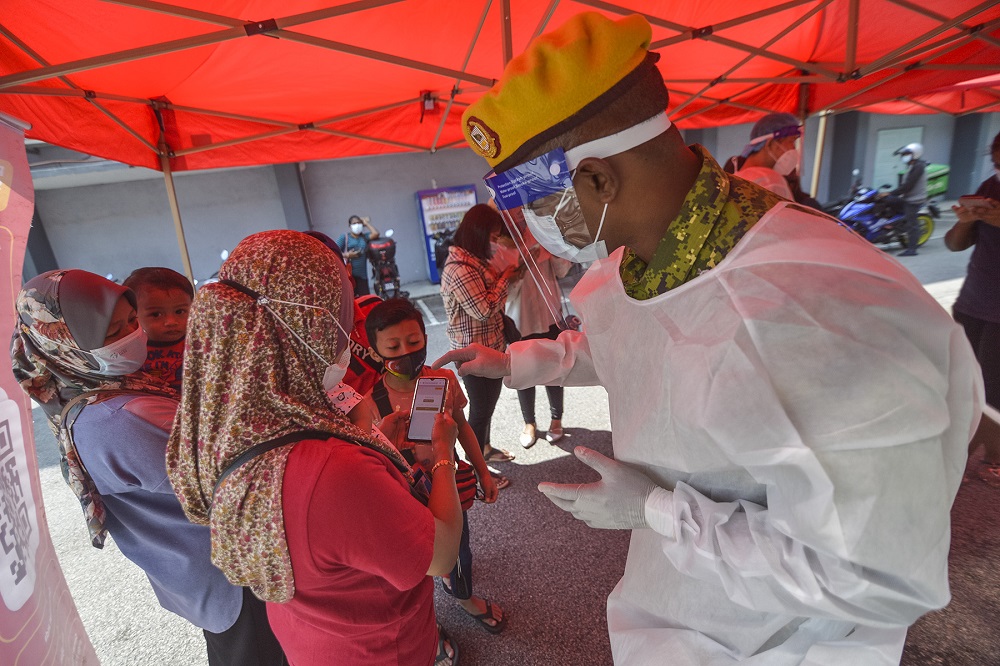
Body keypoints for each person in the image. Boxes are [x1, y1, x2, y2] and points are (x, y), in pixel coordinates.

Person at [436, 12, 982, 664]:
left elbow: (875, 578)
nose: (529, 225)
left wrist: (664, 514)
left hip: (782, 645)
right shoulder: (637, 255)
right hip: (676, 610)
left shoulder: (815, 312)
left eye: (534, 202)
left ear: (598, 181)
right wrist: (518, 362)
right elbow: (629, 344)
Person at [166, 230, 463, 666]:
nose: (348, 335)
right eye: (339, 317)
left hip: (309, 638)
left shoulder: (227, 434)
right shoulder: (334, 471)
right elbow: (442, 555)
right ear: (306, 324)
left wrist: (372, 444)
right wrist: (442, 456)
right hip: (379, 650)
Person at [10, 269, 285, 666]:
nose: (131, 336)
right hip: (227, 573)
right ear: (66, 341)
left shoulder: (95, 386)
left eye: (131, 322)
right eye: (110, 333)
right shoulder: (119, 416)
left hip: (193, 565)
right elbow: (228, 481)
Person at [361, 297, 506, 634]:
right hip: (403, 496)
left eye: (414, 342)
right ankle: (428, 622)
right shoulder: (370, 403)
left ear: (426, 338)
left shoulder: (443, 381)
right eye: (393, 346)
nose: (406, 353)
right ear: (375, 351)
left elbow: (463, 425)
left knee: (458, 548)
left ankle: (463, 596)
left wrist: (483, 470)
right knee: (410, 562)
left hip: (449, 485)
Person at [440, 203, 522, 479]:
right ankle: (477, 472)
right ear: (477, 233)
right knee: (479, 410)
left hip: (489, 347)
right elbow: (483, 309)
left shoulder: (474, 261)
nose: (497, 243)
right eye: (493, 236)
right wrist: (506, 278)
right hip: (473, 354)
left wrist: (502, 278)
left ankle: (484, 448)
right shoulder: (460, 268)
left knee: (487, 406)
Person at [947, 130, 1000, 484]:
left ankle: (995, 458)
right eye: (997, 162)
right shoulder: (990, 186)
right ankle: (959, 452)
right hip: (973, 302)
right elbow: (954, 244)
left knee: (993, 389)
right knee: (963, 381)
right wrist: (967, 221)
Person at [491, 226, 572, 448]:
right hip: (521, 320)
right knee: (523, 372)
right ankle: (529, 422)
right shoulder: (500, 248)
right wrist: (524, 265)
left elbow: (562, 271)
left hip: (549, 314)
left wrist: (556, 251)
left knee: (553, 368)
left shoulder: (541, 232)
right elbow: (505, 293)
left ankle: (557, 418)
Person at [123, 266, 193, 394]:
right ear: (132, 315)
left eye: (179, 311)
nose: (171, 322)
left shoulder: (198, 342)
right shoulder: (129, 349)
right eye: (156, 314)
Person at [879, 142, 928, 256]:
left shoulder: (918, 167)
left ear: (915, 154)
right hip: (907, 197)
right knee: (887, 201)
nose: (903, 156)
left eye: (906, 154)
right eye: (904, 154)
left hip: (914, 200)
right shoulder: (912, 165)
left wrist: (890, 193)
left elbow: (907, 186)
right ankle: (892, 224)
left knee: (912, 224)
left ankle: (912, 249)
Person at [337, 214, 381, 296]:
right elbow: (333, 250)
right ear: (350, 226)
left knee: (365, 299)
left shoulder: (364, 237)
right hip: (349, 276)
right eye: (354, 223)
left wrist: (366, 223)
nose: (357, 225)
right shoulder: (345, 237)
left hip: (362, 276)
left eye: (359, 223)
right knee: (352, 300)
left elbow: (376, 233)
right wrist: (347, 255)